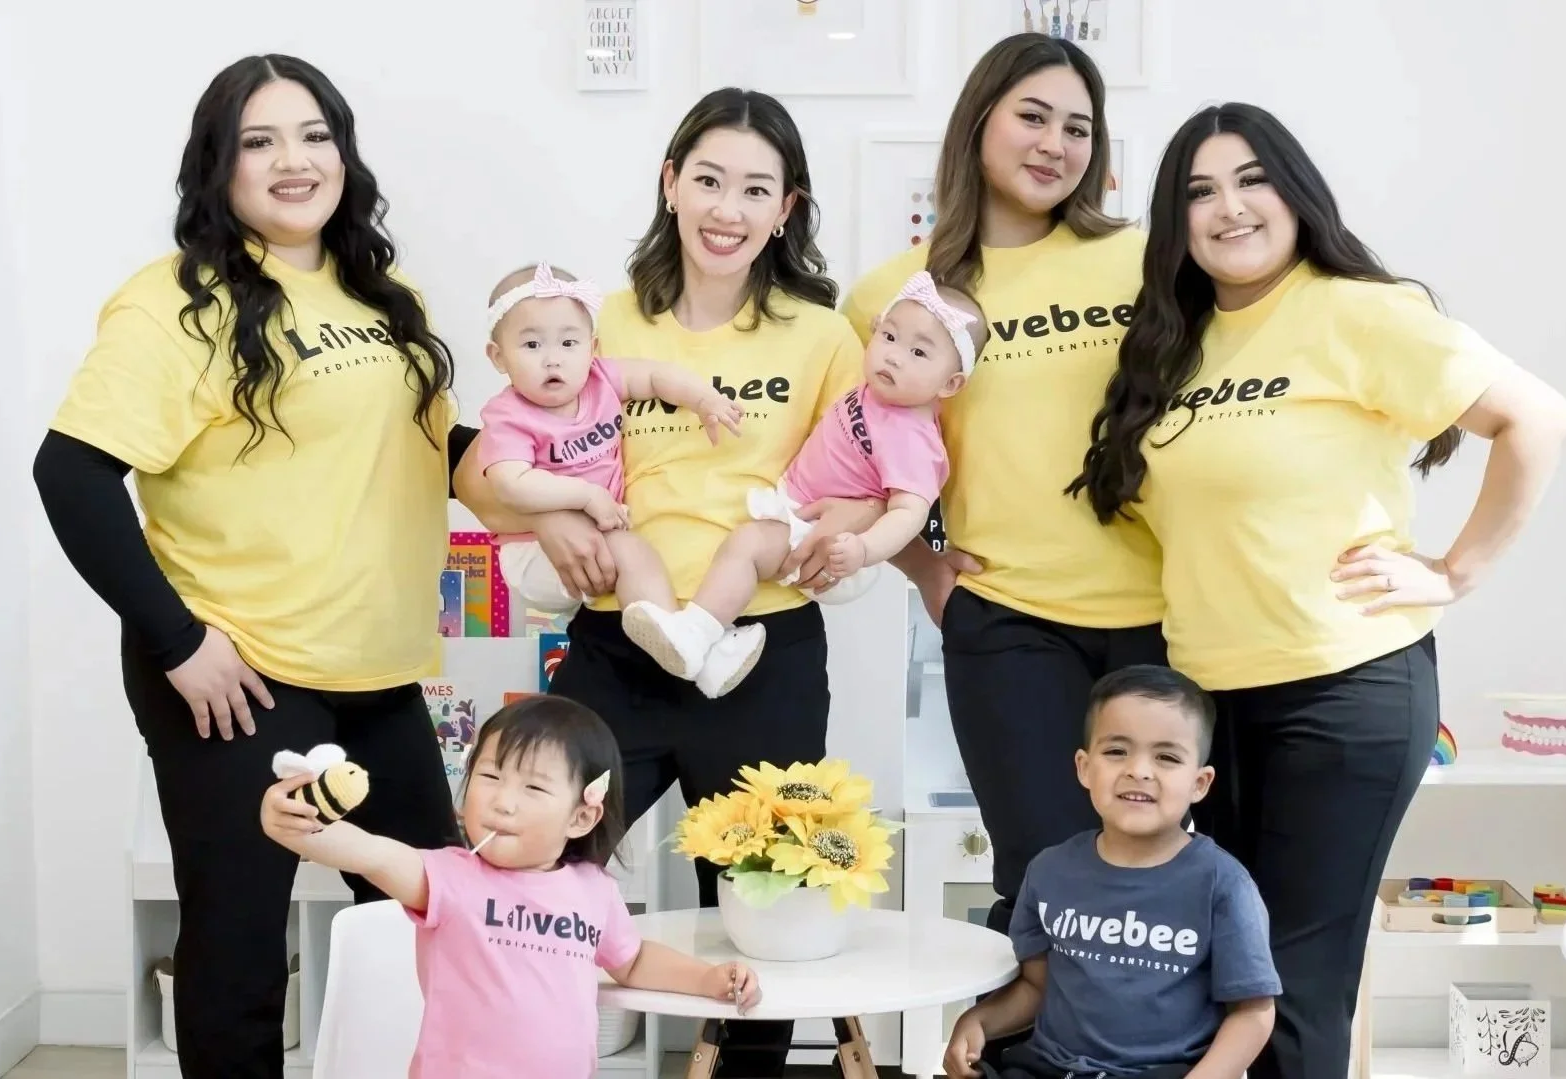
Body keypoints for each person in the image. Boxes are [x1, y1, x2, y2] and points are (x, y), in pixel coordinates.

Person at [1073, 102, 1566, 1079]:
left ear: (1295, 190)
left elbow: (1538, 418)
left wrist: (1453, 570)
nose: (1229, 207)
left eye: (1251, 178)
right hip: (1209, 703)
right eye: (1199, 191)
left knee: (1292, 985)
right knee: (1215, 972)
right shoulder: (1175, 349)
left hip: (1343, 687)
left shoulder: (1357, 311)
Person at [30, 55, 476, 1077]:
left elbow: (433, 444)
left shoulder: (380, 290)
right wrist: (178, 641)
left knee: (430, 924)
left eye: (314, 134)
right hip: (244, 678)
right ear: (217, 165)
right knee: (237, 953)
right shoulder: (175, 302)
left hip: (376, 670)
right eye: (259, 140)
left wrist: (549, 490)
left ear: (344, 151)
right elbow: (73, 471)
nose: (293, 160)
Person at [454, 87, 876, 1076]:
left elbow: (866, 479)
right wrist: (555, 513)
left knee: (759, 913)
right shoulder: (591, 320)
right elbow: (479, 465)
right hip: (617, 647)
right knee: (531, 867)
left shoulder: (820, 335)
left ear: (788, 208)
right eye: (711, 179)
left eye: (756, 189)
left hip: (758, 654)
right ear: (672, 183)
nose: (729, 208)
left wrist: (834, 538)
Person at [844, 33, 1165, 943]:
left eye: (1076, 127)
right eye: (1031, 116)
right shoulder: (891, 299)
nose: (1053, 144)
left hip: (1165, 613)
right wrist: (922, 566)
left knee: (1167, 875)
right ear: (978, 121)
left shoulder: (1145, 262)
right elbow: (842, 458)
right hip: (1009, 622)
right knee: (1046, 877)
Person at [260, 695, 761, 1079]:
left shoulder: (593, 889)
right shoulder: (450, 877)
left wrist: (706, 979)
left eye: (534, 787)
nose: (502, 801)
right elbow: (371, 852)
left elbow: (630, 961)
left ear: (583, 815)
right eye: (490, 775)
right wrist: (300, 823)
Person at [630, 269, 983, 698]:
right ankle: (715, 659)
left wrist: (864, 548)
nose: (894, 357)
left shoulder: (913, 438)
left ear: (951, 383)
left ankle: (696, 632)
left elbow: (910, 511)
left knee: (744, 546)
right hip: (801, 506)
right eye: (889, 338)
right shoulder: (876, 392)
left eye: (919, 353)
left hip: (828, 540)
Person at [944, 666, 1280, 1079]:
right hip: (1047, 1068)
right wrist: (976, 1022)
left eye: (1167, 757)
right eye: (1117, 751)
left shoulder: (1223, 884)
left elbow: (1253, 1012)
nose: (1139, 770)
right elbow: (1036, 988)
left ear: (1200, 783)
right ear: (1085, 767)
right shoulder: (1049, 870)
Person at [473, 260, 745, 673]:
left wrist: (703, 399)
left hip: (586, 544)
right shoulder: (509, 416)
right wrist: (586, 496)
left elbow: (655, 377)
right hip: (534, 552)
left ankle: (698, 658)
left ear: (593, 348)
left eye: (568, 344)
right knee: (629, 548)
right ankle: (686, 637)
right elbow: (510, 485)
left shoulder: (601, 380)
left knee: (628, 549)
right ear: (498, 356)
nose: (553, 360)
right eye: (532, 346)